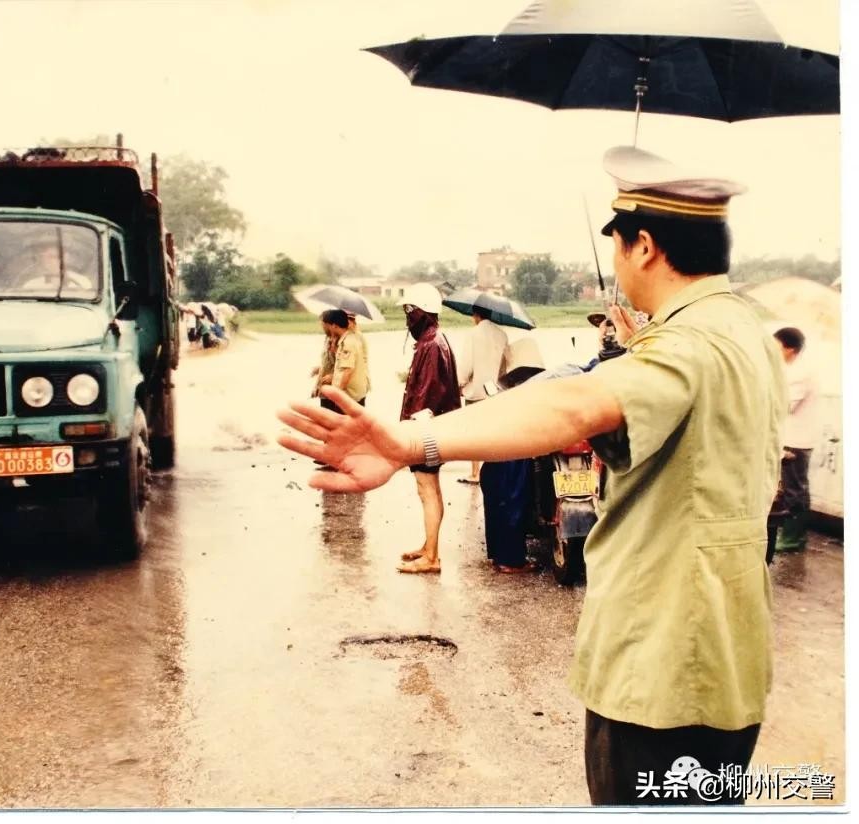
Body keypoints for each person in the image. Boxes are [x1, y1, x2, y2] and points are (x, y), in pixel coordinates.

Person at [277, 145, 786, 805]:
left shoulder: (687, 344)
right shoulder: (742, 330)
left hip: (664, 669)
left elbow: (574, 404)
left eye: (618, 245)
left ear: (643, 247)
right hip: (724, 656)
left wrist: (408, 442)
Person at [394, 283, 460, 575]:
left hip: (427, 430)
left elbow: (428, 393)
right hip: (432, 428)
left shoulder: (431, 344)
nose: (407, 317)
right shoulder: (432, 340)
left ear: (421, 312)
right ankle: (428, 546)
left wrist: (412, 432)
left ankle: (431, 556)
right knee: (430, 489)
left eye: (409, 310)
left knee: (427, 490)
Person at [478, 337, 545, 572]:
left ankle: (499, 555)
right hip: (514, 455)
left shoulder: (503, 394)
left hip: (496, 456)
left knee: (497, 502)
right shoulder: (530, 394)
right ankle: (511, 560)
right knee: (513, 503)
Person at [772, 326, 818, 551]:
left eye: (777, 345)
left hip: (797, 441)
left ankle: (793, 538)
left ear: (790, 348)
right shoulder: (789, 370)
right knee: (791, 489)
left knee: (795, 490)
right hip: (789, 437)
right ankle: (791, 535)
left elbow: (785, 405)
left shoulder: (800, 373)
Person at [456, 308, 509, 484]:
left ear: (476, 316)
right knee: (492, 432)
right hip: (495, 390)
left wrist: (460, 383)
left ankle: (475, 473)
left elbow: (466, 365)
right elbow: (504, 366)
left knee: (474, 434)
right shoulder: (502, 335)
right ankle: (493, 471)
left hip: (476, 391)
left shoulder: (473, 334)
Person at [20, 239, 94, 292]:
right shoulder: (31, 285)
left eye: (54, 256)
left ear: (66, 258)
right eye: (45, 257)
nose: (49, 261)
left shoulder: (82, 282)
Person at [311, 310, 340, 408]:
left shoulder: (341, 341)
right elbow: (326, 363)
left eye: (322, 324)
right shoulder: (327, 339)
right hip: (324, 389)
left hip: (336, 390)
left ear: (329, 324)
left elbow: (346, 366)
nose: (321, 327)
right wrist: (317, 386)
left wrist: (334, 376)